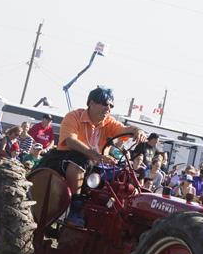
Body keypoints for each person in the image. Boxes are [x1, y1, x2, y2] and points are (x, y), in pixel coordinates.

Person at [33, 86, 144, 226]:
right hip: (63, 159)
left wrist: (137, 130)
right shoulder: (74, 116)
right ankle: (74, 207)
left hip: (96, 165)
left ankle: (119, 216)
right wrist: (95, 155)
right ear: (91, 103)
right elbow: (70, 141)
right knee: (80, 159)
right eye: (104, 103)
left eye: (111, 106)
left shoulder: (109, 122)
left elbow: (125, 129)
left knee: (124, 176)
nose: (108, 108)